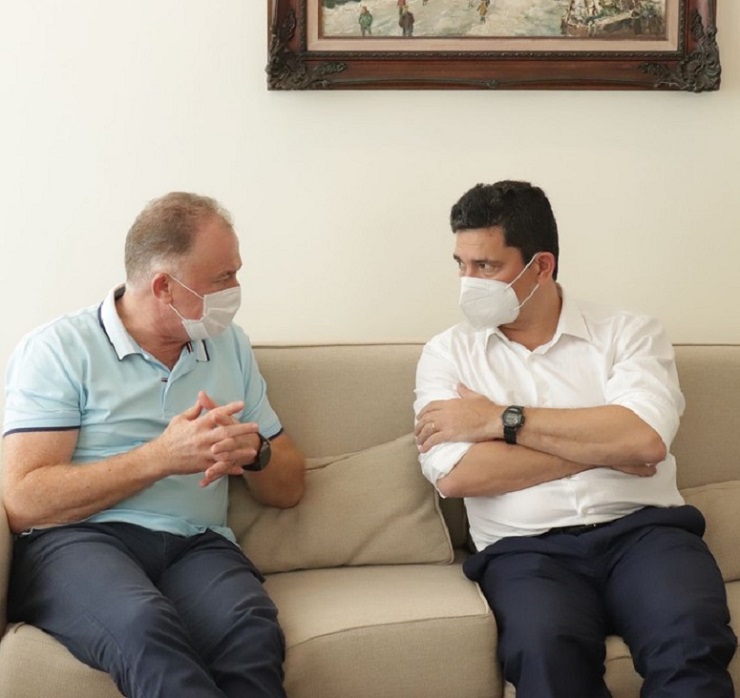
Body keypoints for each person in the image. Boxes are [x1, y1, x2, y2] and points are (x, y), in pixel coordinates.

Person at [414, 181, 736, 697]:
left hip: (645, 533)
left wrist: (499, 421)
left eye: (486, 266)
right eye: (461, 264)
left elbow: (644, 441)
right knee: (543, 651)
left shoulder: (629, 333)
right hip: (524, 551)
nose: (467, 282)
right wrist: (602, 448)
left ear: (541, 266)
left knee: (690, 637)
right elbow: (458, 476)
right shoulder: (447, 355)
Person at [2, 192, 306, 698]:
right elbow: (22, 500)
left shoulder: (229, 345)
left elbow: (289, 488)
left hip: (196, 545)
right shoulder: (59, 349)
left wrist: (257, 454)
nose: (236, 290)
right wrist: (161, 458)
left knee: (250, 632)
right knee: (143, 624)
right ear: (164, 286)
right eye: (222, 278)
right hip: (80, 540)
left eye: (236, 273)